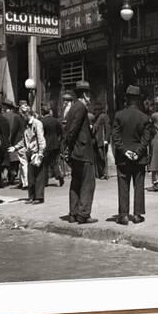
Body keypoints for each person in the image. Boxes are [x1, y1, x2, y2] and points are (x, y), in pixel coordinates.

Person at [112, 85, 153, 225]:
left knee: (123, 185)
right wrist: (138, 152)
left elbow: (115, 137)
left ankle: (123, 215)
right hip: (139, 158)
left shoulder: (118, 115)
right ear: (138, 99)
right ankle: (137, 214)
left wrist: (125, 151)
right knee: (139, 185)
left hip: (123, 158)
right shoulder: (144, 118)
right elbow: (146, 139)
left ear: (127, 99)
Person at [64, 81, 97, 224]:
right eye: (89, 94)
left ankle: (73, 213)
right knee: (88, 183)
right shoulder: (81, 107)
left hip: (75, 152)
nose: (90, 97)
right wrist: (71, 146)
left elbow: (69, 129)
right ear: (84, 94)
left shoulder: (72, 108)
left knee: (76, 183)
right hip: (82, 151)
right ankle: (83, 214)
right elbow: (73, 130)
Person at [8, 106, 46, 204]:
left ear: (27, 114)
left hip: (36, 153)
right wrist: (15, 147)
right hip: (29, 153)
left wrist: (40, 154)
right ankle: (32, 196)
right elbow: (24, 140)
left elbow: (41, 140)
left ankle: (39, 197)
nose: (21, 117)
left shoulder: (37, 124)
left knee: (38, 176)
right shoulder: (26, 125)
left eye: (22, 115)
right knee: (31, 176)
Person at [40, 103, 64, 187]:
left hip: (46, 145)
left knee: (45, 164)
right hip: (55, 145)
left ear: (43, 112)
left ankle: (45, 181)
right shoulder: (55, 121)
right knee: (54, 162)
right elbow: (61, 132)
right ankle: (59, 175)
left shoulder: (42, 122)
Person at [2, 99, 24, 185]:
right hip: (16, 140)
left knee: (9, 158)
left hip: (7, 139)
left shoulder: (3, 116)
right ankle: (14, 172)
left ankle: (10, 173)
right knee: (16, 158)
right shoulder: (17, 116)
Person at [92, 102, 111, 180]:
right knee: (98, 157)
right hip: (97, 140)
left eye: (96, 110)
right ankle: (100, 173)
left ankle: (104, 172)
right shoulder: (96, 118)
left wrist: (106, 139)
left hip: (101, 140)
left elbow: (108, 128)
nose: (95, 112)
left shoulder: (104, 117)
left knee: (102, 157)